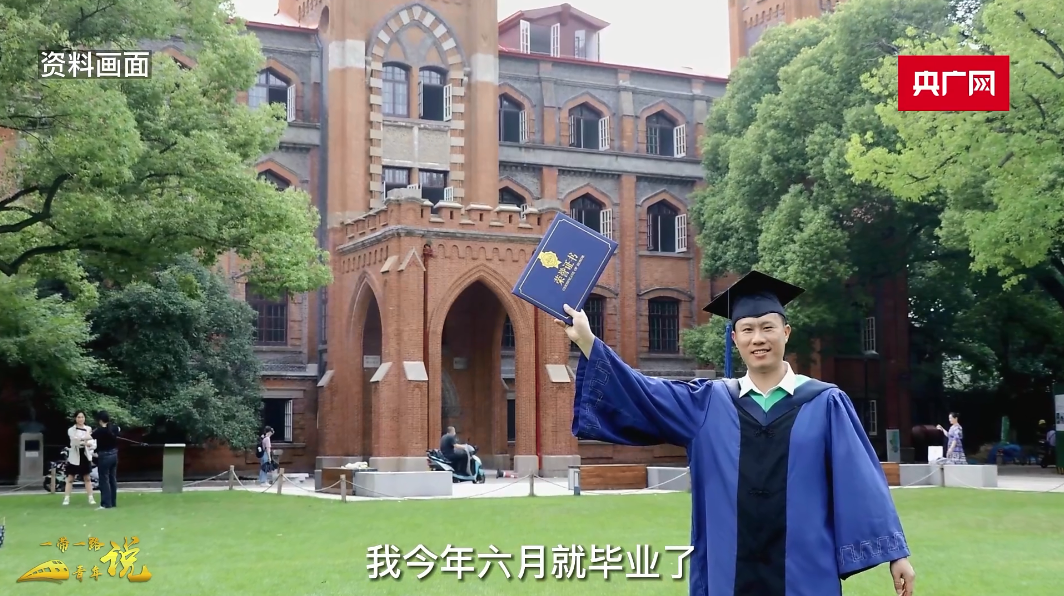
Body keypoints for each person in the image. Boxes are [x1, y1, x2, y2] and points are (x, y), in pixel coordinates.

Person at [556, 270, 915, 596]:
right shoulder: (707, 404)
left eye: (767, 327)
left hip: (805, 576)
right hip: (727, 578)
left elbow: (860, 479)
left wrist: (895, 554)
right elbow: (643, 392)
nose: (758, 338)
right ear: (735, 337)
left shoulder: (825, 403)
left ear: (786, 332)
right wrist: (588, 341)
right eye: (748, 329)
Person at [63, 411, 96, 506]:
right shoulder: (71, 430)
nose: (81, 419)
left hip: (85, 455)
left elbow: (92, 442)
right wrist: (85, 441)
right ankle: (66, 498)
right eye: (78, 417)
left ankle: (91, 498)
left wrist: (85, 442)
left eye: (82, 417)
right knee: (70, 478)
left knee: (87, 478)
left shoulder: (88, 428)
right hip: (74, 455)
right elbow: (74, 442)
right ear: (75, 418)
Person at [92, 411, 120, 510]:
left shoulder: (99, 431)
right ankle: (112, 502)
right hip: (114, 455)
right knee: (112, 479)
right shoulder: (114, 428)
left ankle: (105, 503)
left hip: (104, 456)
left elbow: (88, 437)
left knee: (104, 480)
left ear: (99, 420)